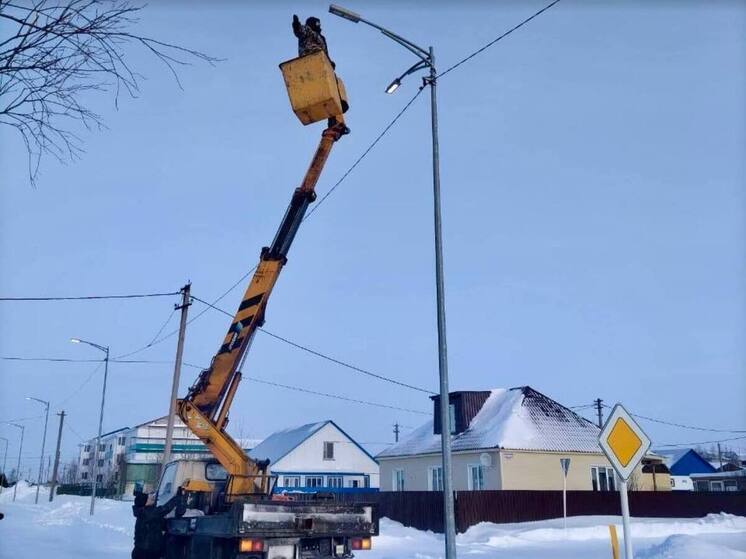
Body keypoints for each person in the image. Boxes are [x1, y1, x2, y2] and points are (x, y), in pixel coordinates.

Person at [131, 488, 182, 559]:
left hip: (150, 552)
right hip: (144, 553)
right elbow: (164, 509)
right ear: (145, 502)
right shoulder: (146, 513)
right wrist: (177, 498)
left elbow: (161, 523)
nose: (152, 497)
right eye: (149, 498)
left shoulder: (150, 514)